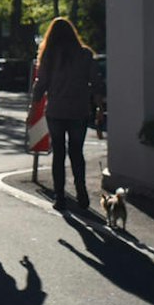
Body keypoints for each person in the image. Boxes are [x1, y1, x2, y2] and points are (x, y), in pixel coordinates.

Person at [33, 17, 98, 211]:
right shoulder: (85, 54)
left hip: (56, 111)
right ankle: (82, 193)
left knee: (59, 154)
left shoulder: (50, 55)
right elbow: (96, 82)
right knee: (77, 152)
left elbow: (41, 83)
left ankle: (60, 196)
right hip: (79, 110)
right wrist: (99, 106)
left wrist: (34, 104)